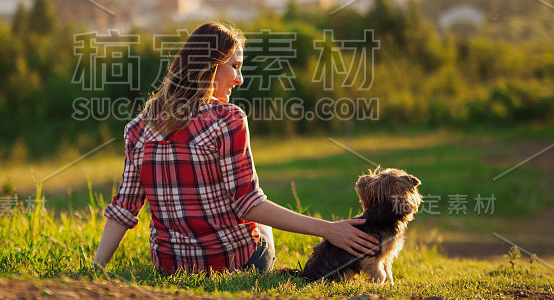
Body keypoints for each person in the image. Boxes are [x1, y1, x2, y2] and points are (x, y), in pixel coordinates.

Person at [93, 21, 379, 274]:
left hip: (171, 267)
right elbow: (248, 204)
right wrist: (326, 229)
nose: (240, 79)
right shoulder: (228, 119)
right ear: (211, 67)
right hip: (234, 262)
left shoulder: (138, 128)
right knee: (263, 228)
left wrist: (97, 268)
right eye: (235, 67)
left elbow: (124, 208)